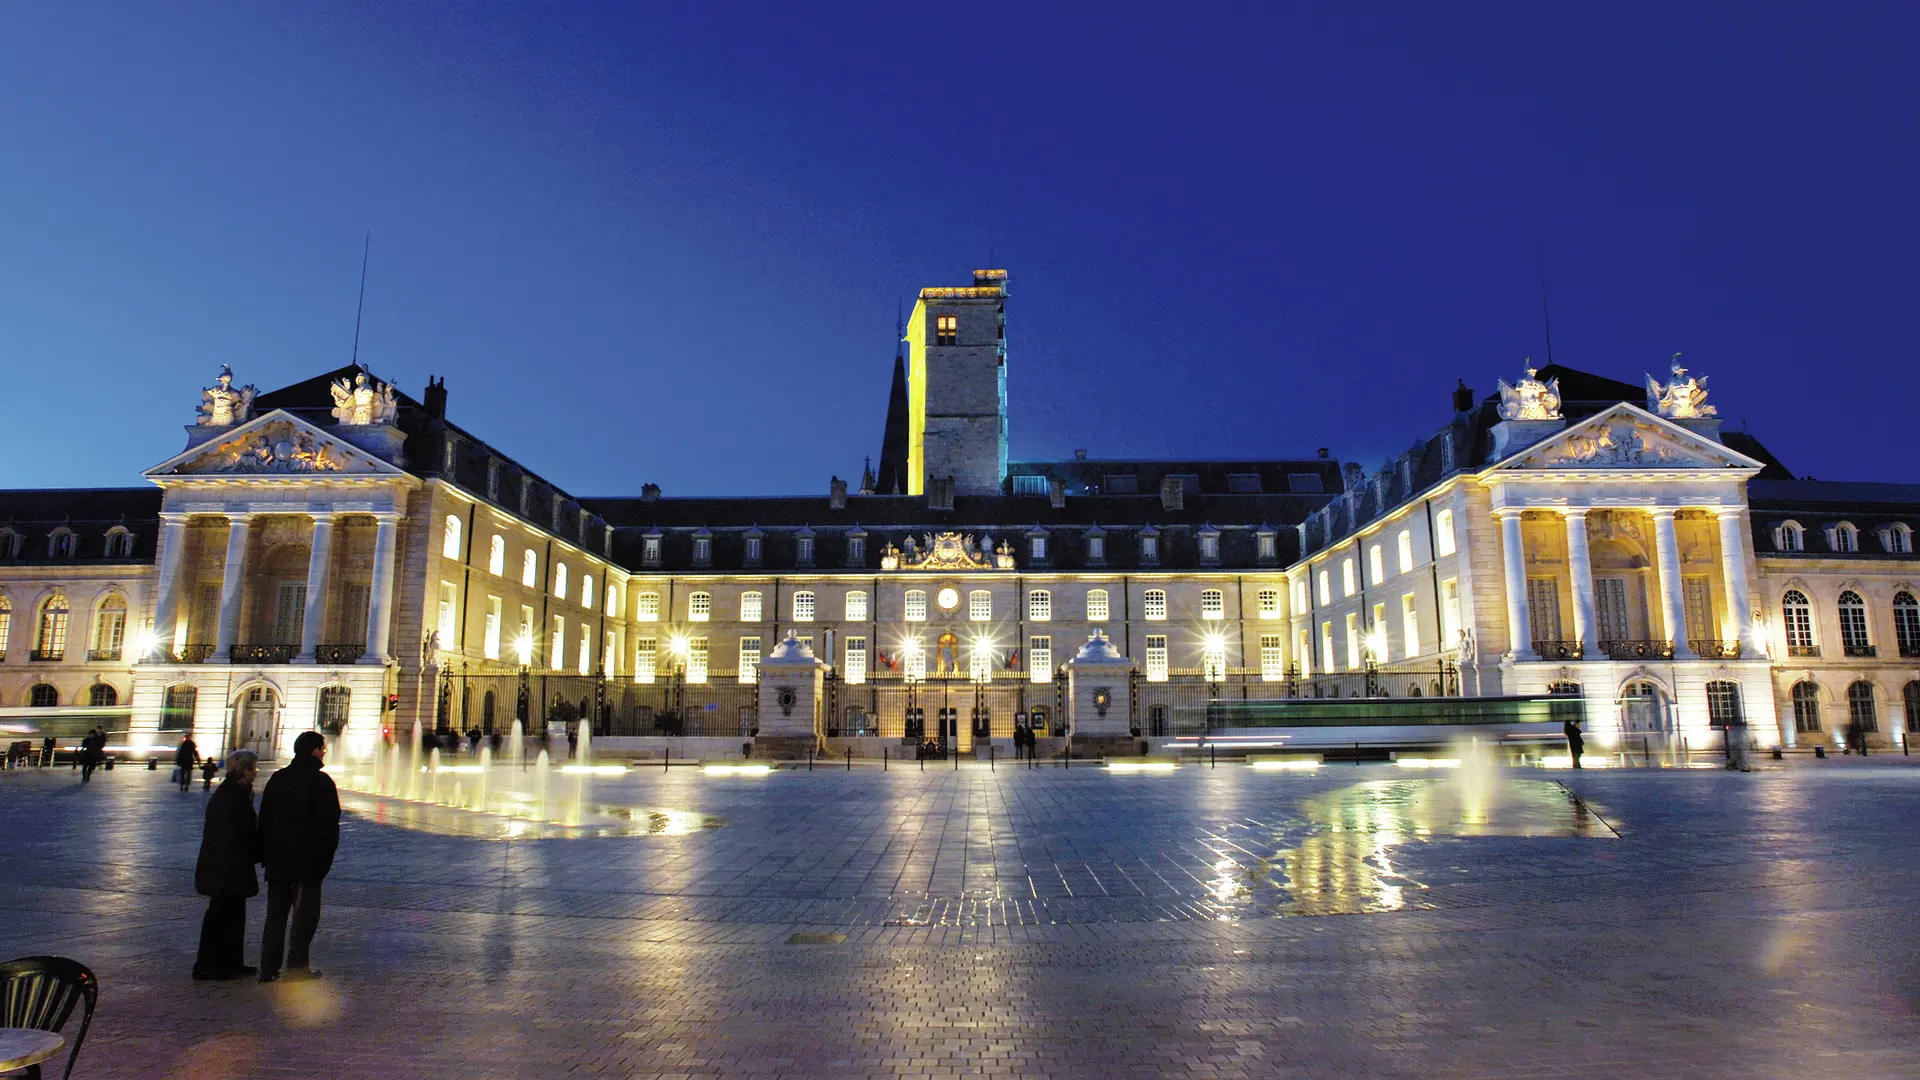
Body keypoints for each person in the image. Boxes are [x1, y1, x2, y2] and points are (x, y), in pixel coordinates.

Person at [256, 731, 340, 983]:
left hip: (278, 863)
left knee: (275, 918)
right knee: (305, 919)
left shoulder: (278, 779)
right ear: (314, 750)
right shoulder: (321, 782)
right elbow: (329, 828)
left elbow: (265, 821)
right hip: (308, 865)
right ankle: (297, 967)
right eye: (322, 748)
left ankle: (268, 968)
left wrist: (266, 856)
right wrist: (322, 864)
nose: (324, 752)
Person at [193, 749, 260, 981]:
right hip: (224, 866)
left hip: (232, 865)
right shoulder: (229, 796)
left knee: (234, 916)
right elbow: (231, 834)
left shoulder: (237, 792)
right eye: (253, 769)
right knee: (220, 916)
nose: (255, 773)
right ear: (243, 770)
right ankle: (208, 965)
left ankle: (231, 962)